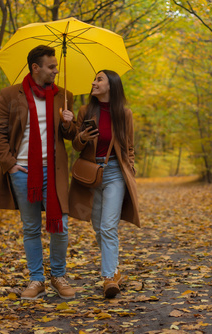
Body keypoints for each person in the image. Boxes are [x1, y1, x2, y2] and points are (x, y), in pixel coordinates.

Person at [0, 45, 77, 300]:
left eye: (56, 66)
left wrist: (69, 124)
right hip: (23, 172)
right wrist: (10, 164)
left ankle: (58, 275)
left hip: (54, 170)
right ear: (36, 67)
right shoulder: (10, 95)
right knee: (30, 228)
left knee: (60, 226)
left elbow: (71, 137)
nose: (56, 71)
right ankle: (36, 279)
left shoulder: (64, 95)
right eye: (51, 67)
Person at [69, 70, 140, 298]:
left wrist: (131, 167)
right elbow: (76, 146)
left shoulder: (124, 114)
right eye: (94, 79)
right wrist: (82, 138)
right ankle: (115, 270)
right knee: (99, 227)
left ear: (111, 85)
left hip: (115, 173)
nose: (94, 82)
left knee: (109, 227)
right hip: (90, 173)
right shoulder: (85, 111)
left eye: (99, 79)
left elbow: (128, 146)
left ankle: (108, 278)